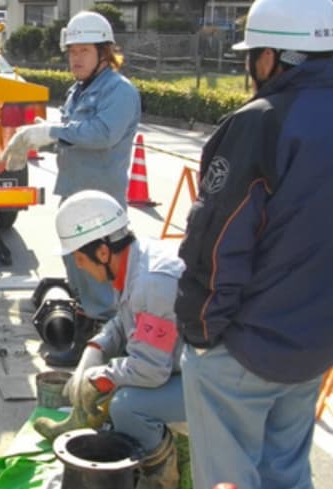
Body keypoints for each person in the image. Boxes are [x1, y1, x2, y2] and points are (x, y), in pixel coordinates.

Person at [175, 1, 333, 487]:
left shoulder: (261, 122)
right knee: (286, 472)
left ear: (271, 58)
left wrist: (199, 334)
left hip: (245, 348)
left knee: (229, 479)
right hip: (312, 349)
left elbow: (217, 242)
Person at [2, 11, 141, 367]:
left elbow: (102, 134)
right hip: (76, 195)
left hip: (101, 203)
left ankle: (102, 348)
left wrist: (50, 132)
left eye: (83, 50)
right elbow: (70, 130)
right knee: (78, 269)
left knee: (100, 276)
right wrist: (42, 132)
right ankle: (87, 334)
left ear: (104, 53)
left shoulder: (119, 91)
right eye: (71, 51)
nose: (75, 58)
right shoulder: (79, 90)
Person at [34, 190, 185, 489]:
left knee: (126, 406)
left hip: (215, 381)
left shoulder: (151, 283)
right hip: (183, 364)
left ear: (102, 252)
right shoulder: (134, 262)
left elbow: (150, 371)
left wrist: (102, 378)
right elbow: (125, 320)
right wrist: (97, 347)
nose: (78, 266)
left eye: (80, 257)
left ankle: (162, 478)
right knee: (116, 386)